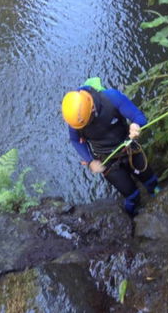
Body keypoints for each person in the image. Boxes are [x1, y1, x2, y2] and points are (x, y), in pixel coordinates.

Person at [61, 78, 159, 216]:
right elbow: (75, 140)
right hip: (107, 160)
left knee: (150, 180)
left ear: (92, 108)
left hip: (129, 146)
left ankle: (157, 195)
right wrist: (90, 161)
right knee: (131, 195)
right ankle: (132, 216)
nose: (83, 127)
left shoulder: (111, 98)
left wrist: (136, 125)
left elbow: (138, 116)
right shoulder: (77, 119)